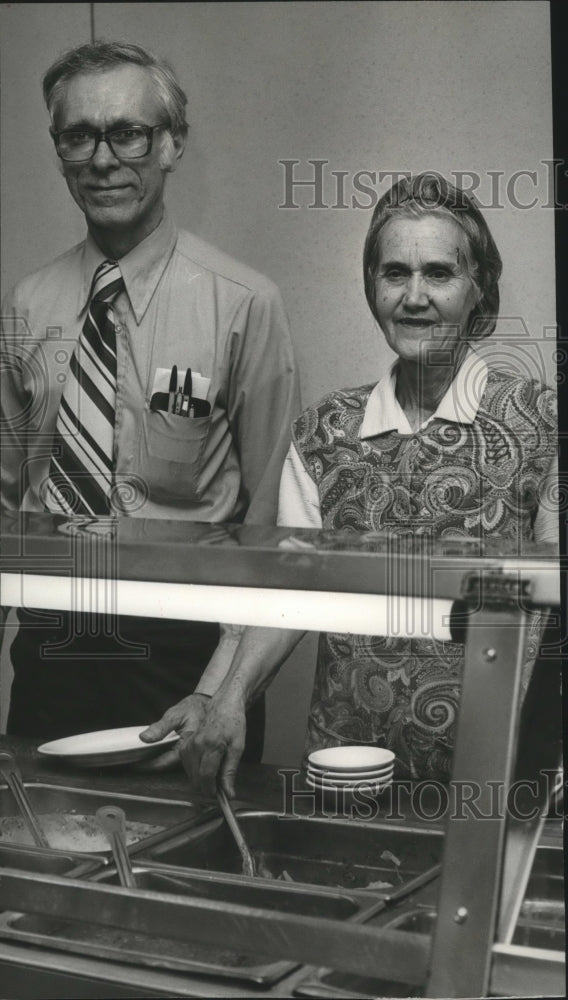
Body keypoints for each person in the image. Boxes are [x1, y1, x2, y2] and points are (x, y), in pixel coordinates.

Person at [144, 173, 558, 794]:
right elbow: (283, 590)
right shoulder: (324, 434)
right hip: (351, 774)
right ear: (372, 289)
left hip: (501, 786)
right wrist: (221, 696)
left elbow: (558, 603)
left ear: (479, 291)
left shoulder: (540, 421)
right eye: (395, 274)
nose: (414, 296)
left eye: (439, 274)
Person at [0, 40, 299, 758]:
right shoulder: (25, 305)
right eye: (78, 136)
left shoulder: (243, 303)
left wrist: (224, 688)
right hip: (51, 647)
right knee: (45, 851)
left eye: (128, 132)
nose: (103, 160)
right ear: (59, 148)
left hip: (184, 655)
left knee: (184, 864)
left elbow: (271, 527)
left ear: (172, 144)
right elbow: (11, 505)